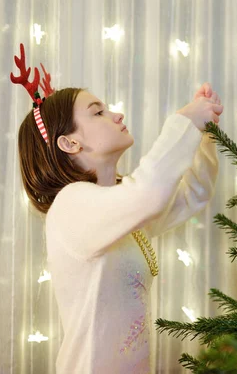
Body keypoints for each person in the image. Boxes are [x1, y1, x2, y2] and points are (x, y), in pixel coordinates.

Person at [13, 44, 222, 373]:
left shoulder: (119, 204)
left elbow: (192, 194)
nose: (116, 115)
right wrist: (183, 122)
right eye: (97, 112)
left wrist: (202, 132)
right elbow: (150, 192)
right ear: (69, 143)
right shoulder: (71, 205)